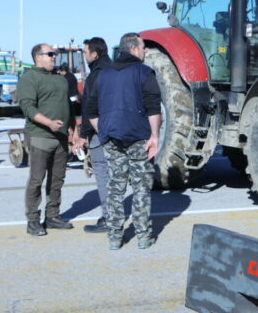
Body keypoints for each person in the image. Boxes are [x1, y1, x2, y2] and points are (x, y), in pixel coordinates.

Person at [87, 32, 161, 250]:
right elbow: (154, 109)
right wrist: (155, 136)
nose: (145, 51)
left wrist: (104, 130)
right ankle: (143, 237)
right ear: (134, 49)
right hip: (139, 138)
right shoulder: (144, 72)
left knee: (115, 188)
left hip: (111, 138)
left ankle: (115, 238)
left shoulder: (102, 74)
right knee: (141, 188)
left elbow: (90, 111)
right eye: (143, 47)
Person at [17, 43, 74, 237]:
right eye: (50, 54)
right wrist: (48, 123)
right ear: (38, 57)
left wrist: (72, 128)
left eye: (54, 54)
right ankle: (33, 221)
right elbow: (28, 107)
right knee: (36, 179)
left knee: (57, 179)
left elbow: (67, 106)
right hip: (40, 136)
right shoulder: (29, 78)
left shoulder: (60, 79)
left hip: (61, 137)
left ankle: (53, 216)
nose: (53, 57)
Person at [71, 37, 111, 234]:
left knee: (103, 174)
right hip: (122, 133)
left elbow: (89, 107)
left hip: (100, 134)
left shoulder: (95, 76)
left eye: (85, 53)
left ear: (95, 54)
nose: (84, 57)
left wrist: (83, 135)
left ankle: (109, 218)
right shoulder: (117, 71)